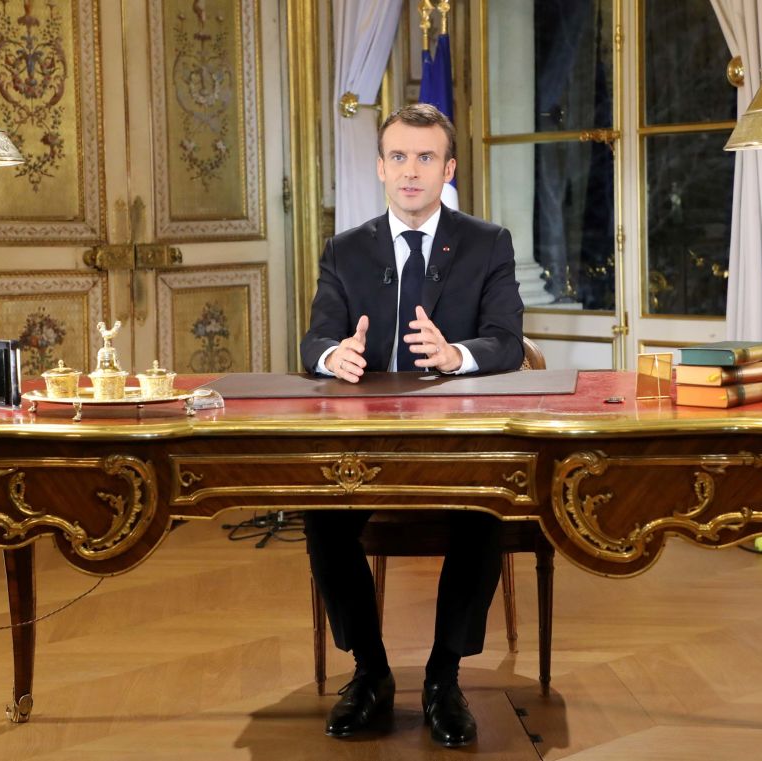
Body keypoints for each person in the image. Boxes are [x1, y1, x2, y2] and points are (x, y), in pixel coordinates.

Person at [300, 103, 524, 747]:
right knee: (320, 513)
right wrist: (331, 354)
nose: (411, 171)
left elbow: (508, 343)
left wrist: (458, 356)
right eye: (398, 157)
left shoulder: (487, 243)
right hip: (366, 440)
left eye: (426, 158)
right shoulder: (345, 250)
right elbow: (313, 337)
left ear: (447, 169)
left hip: (456, 436)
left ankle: (442, 677)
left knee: (485, 510)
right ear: (379, 167)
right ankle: (370, 674)